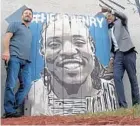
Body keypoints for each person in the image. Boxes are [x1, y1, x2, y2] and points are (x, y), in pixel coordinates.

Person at [24, 14, 118, 116]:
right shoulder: (34, 93)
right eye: (54, 44)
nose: (69, 51)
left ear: (92, 48)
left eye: (79, 42)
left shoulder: (110, 92)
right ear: (42, 51)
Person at [101, 6, 140, 108]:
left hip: (128, 52)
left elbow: (123, 16)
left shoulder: (122, 22)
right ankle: (123, 106)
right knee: (117, 77)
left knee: (133, 78)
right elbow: (112, 47)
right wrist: (111, 57)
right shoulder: (109, 30)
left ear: (113, 15)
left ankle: (136, 105)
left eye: (109, 16)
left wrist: (110, 10)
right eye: (106, 18)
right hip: (118, 55)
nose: (108, 18)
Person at [2, 8, 33, 118]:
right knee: (11, 84)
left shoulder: (29, 30)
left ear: (32, 17)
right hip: (14, 57)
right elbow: (7, 37)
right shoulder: (14, 24)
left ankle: (12, 109)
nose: (28, 15)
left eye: (30, 14)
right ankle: (9, 111)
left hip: (26, 61)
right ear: (22, 16)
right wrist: (6, 52)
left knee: (26, 85)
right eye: (26, 13)